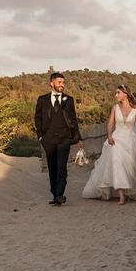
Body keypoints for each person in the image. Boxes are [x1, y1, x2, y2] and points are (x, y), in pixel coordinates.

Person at [82, 85, 136, 205]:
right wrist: (110, 136)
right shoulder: (115, 108)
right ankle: (121, 194)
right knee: (116, 162)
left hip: (131, 141)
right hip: (116, 140)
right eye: (116, 92)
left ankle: (132, 190)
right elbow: (110, 123)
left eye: (118, 92)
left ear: (125, 94)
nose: (116, 95)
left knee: (133, 166)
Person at [34, 72, 83, 206]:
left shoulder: (69, 99)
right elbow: (37, 119)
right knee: (52, 167)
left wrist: (78, 139)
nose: (62, 85)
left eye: (63, 82)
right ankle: (55, 194)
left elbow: (73, 120)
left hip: (64, 138)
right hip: (48, 139)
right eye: (59, 82)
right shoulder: (42, 100)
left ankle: (60, 194)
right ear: (52, 83)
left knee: (61, 167)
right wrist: (40, 137)